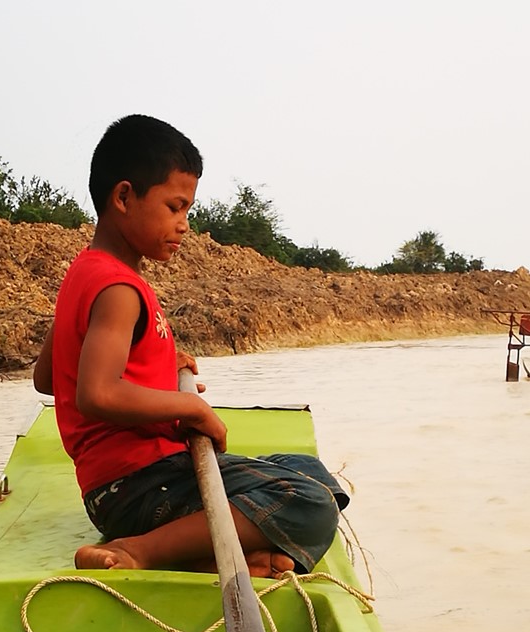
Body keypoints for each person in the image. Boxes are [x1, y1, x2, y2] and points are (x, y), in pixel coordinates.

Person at [33, 114, 349, 578]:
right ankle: (138, 552)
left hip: (119, 489)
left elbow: (48, 376)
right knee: (310, 502)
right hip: (140, 488)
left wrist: (158, 367)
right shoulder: (119, 288)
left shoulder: (86, 271)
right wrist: (190, 407)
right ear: (124, 197)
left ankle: (203, 557)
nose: (184, 225)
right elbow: (96, 393)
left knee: (305, 468)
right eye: (175, 207)